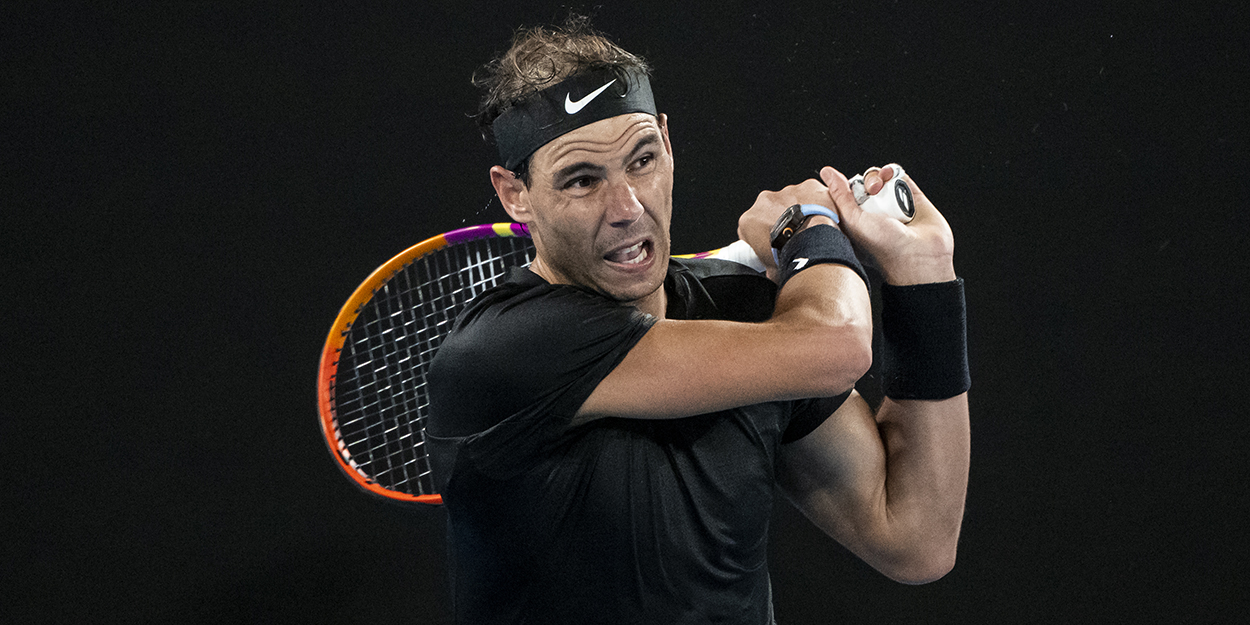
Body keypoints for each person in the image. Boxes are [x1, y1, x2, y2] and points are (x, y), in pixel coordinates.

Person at [427, 17, 970, 624]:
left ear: (666, 139)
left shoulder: (747, 314)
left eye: (641, 160)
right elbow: (838, 344)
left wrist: (924, 276)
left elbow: (917, 537)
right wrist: (807, 228)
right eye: (583, 180)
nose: (627, 209)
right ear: (514, 194)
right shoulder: (507, 349)